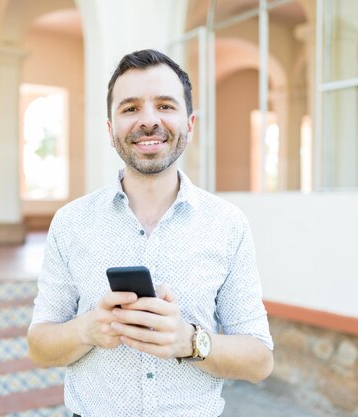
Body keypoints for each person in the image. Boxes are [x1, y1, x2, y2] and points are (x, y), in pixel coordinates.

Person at [27, 49, 273, 417]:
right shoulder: (70, 222)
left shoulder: (227, 224)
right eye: (130, 108)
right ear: (110, 130)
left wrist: (190, 341)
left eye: (164, 105)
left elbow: (260, 360)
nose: (149, 121)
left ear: (189, 124)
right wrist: (87, 330)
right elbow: (39, 346)